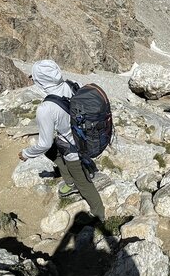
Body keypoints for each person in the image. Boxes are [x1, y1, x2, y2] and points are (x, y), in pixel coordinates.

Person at [18, 59, 105, 223]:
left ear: (39, 81)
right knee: (53, 151)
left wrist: (26, 153)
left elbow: (44, 144)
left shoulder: (45, 109)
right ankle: (69, 180)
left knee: (84, 184)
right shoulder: (72, 85)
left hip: (73, 148)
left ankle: (100, 215)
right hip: (83, 138)